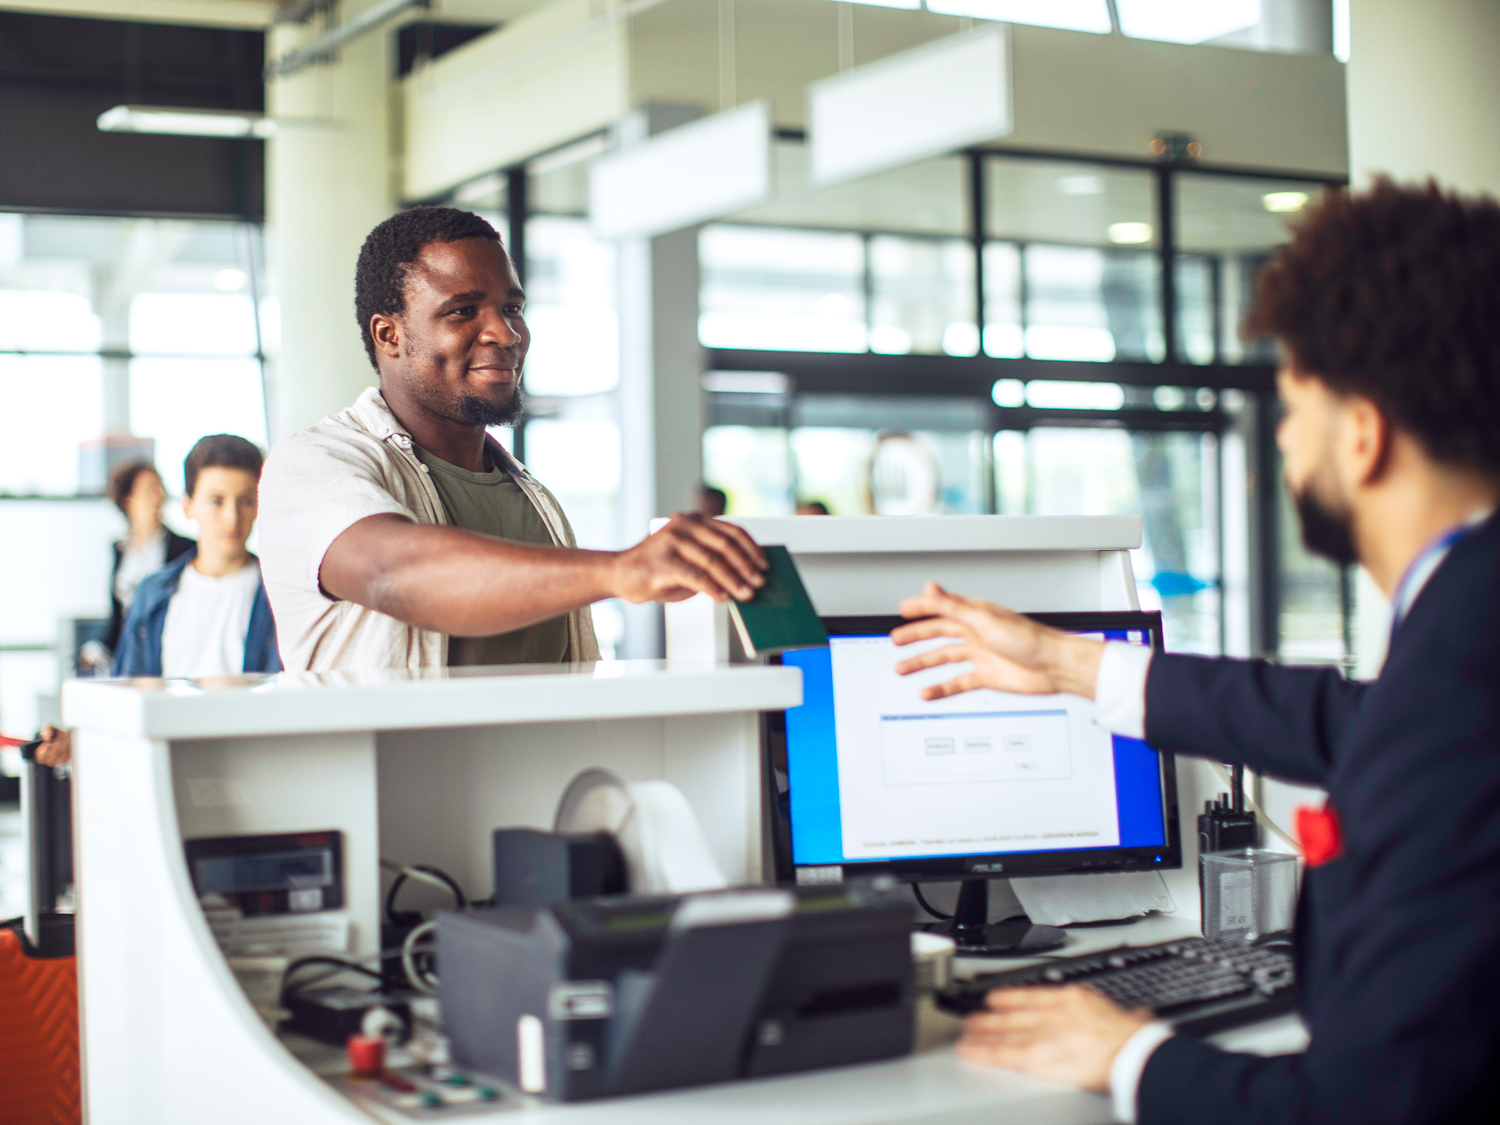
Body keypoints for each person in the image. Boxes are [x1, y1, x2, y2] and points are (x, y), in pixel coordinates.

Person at [892, 179, 1500, 1125]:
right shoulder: (1471, 622)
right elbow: (1357, 721)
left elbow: (1366, 1108)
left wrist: (1130, 1053)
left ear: (1366, 434)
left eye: (1295, 412)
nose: (1286, 445)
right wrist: (1068, 663)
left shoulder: (1462, 651)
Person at [257, 207, 765, 673]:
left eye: (512, 308)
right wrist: (620, 571)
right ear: (388, 335)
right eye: (462, 312)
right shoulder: (313, 465)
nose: (505, 333)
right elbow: (393, 573)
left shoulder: (531, 498)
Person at [35, 435, 280, 766]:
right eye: (216, 500)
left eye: (246, 501)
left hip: (250, 764)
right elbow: (126, 690)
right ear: (188, 505)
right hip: (165, 766)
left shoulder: (280, 592)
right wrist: (76, 742)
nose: (232, 518)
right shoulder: (153, 594)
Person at [91, 460, 194, 668]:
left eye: (160, 488)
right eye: (149, 490)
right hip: (128, 655)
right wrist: (96, 648)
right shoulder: (120, 550)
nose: (159, 496)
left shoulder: (184, 549)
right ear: (128, 500)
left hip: (167, 653)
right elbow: (119, 617)